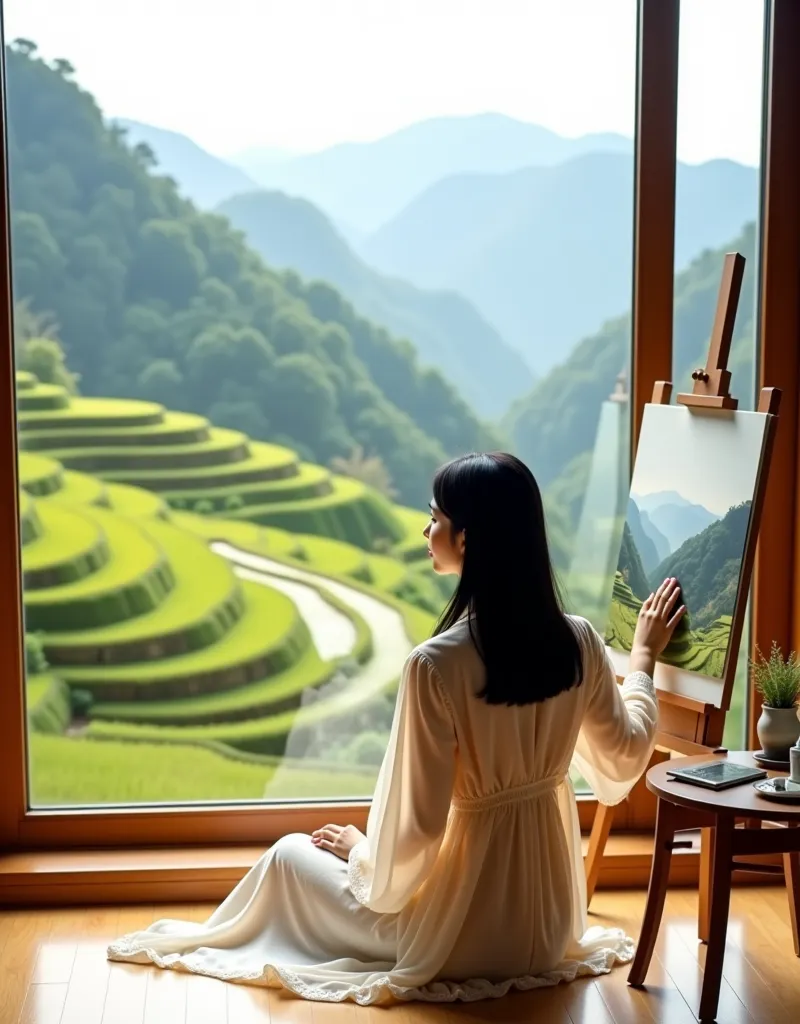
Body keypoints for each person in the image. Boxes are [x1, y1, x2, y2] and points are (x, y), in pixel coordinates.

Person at [107, 452, 684, 1006]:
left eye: (435, 517)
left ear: (467, 539)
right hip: (550, 923)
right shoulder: (579, 640)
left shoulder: (435, 664)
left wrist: (362, 851)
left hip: (459, 935)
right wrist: (642, 659)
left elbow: (415, 832)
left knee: (288, 856)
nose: (424, 530)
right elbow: (620, 767)